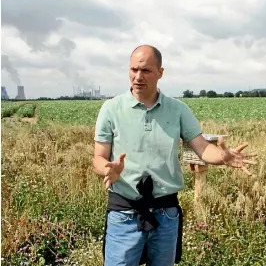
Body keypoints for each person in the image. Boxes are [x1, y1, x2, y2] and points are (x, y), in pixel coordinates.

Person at [92, 45, 257, 266]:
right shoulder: (111, 109)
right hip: (124, 213)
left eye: (146, 71)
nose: (138, 77)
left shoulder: (178, 109)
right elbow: (98, 156)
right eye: (133, 70)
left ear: (160, 72)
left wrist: (223, 157)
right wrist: (107, 169)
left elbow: (202, 147)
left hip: (165, 214)